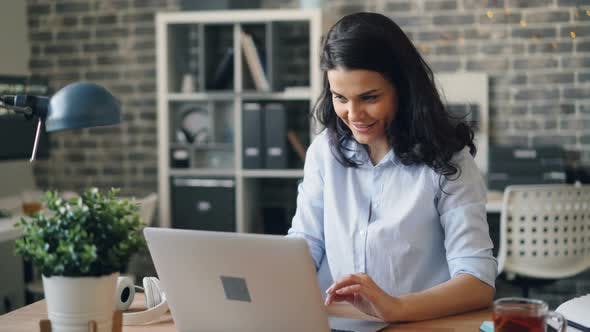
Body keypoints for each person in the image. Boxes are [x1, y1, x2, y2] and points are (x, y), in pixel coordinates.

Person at [287, 12, 496, 322]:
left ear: (403, 89)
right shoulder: (324, 153)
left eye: (369, 97)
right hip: (339, 323)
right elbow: (306, 244)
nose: (353, 113)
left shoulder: (449, 161)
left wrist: (396, 308)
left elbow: (478, 282)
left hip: (421, 325)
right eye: (339, 97)